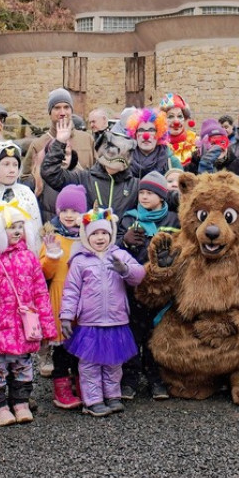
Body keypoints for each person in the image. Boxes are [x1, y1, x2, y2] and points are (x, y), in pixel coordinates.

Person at [0, 201, 57, 425]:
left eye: (20, 226)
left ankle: (20, 402)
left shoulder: (28, 257)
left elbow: (40, 293)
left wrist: (47, 326)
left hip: (23, 325)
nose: (17, 231)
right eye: (11, 227)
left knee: (23, 366)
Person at [60, 208, 146, 417]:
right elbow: (71, 290)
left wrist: (124, 269)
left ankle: (113, 395)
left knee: (113, 363)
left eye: (104, 233)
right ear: (86, 236)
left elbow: (139, 275)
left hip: (116, 320)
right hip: (90, 322)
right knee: (90, 364)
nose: (100, 238)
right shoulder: (80, 260)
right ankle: (93, 400)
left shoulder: (119, 254)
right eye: (95, 233)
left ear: (111, 234)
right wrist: (66, 316)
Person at [118, 171, 179, 400]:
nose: (144, 197)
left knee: (156, 335)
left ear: (162, 196)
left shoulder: (173, 220)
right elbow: (113, 249)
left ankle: (156, 380)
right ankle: (130, 380)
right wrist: (124, 241)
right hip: (134, 288)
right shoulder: (129, 218)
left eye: (150, 193)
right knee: (133, 334)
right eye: (142, 192)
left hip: (163, 291)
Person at [38, 185, 90, 409]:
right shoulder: (52, 238)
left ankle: (80, 381)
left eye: (75, 211)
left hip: (83, 300)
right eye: (65, 210)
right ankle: (61, 386)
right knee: (61, 347)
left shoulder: (87, 237)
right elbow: (44, 272)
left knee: (80, 345)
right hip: (59, 297)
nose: (70, 215)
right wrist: (51, 256)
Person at [22, 88, 96, 220]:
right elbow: (25, 179)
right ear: (50, 112)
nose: (62, 112)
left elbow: (96, 173)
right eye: (57, 108)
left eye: (66, 107)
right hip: (50, 213)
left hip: (82, 212)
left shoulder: (87, 139)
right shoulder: (38, 144)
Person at [43, 116, 138, 217]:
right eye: (111, 149)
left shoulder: (134, 186)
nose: (116, 154)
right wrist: (60, 142)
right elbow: (50, 173)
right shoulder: (83, 179)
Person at [124, 107, 181, 178]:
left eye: (151, 130)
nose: (146, 135)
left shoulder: (172, 162)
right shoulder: (124, 161)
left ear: (159, 133)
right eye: (141, 130)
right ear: (135, 134)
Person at [160, 93, 197, 168]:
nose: (176, 122)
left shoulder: (196, 143)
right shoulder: (158, 146)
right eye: (170, 117)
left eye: (180, 116)